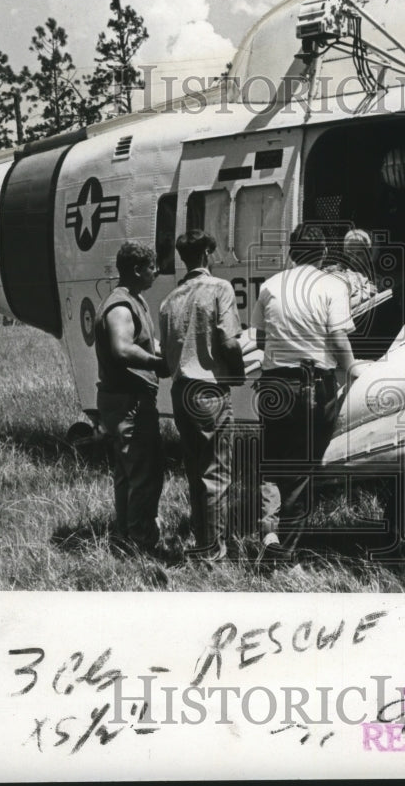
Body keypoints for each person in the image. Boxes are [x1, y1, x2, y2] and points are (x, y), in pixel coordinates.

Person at [251, 223, 364, 566]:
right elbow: (339, 339)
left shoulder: (269, 286)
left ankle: (268, 532)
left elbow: (259, 340)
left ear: (290, 250)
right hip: (312, 385)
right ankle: (286, 555)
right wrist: (353, 370)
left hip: (274, 384)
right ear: (325, 254)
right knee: (301, 471)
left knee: (271, 464)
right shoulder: (331, 286)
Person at [157, 230, 245, 563]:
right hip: (209, 389)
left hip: (181, 390)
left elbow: (166, 360)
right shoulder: (219, 289)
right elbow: (228, 341)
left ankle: (201, 537)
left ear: (183, 257)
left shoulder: (170, 300)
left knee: (195, 469)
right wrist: (236, 374)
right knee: (217, 472)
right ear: (207, 253)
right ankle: (212, 551)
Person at [94, 242, 168, 554]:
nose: (157, 272)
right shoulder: (121, 307)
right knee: (144, 474)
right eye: (152, 267)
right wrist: (157, 364)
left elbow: (143, 342)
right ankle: (142, 542)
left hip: (125, 399)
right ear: (138, 269)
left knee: (128, 473)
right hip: (129, 403)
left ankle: (124, 537)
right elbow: (122, 348)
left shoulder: (134, 300)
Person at [325, 228, 379, 308]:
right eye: (350, 253)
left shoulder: (374, 277)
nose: (354, 258)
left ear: (368, 253)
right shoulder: (337, 273)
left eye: (359, 253)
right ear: (345, 253)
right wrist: (365, 293)